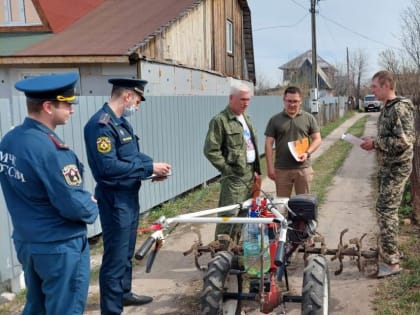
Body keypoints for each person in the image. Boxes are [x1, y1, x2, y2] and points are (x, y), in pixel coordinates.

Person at [0, 73, 99, 314]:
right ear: (47, 107)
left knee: (37, 306)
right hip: (59, 246)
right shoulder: (52, 150)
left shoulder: (10, 140)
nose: (71, 110)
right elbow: (73, 204)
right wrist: (93, 205)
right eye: (66, 104)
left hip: (28, 242)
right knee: (64, 308)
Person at [84, 78, 171, 314]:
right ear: (127, 96)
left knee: (127, 251)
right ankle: (111, 309)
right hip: (114, 200)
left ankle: (124, 293)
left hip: (129, 197)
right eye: (138, 101)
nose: (137, 106)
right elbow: (108, 167)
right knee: (115, 257)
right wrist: (149, 169)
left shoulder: (121, 124)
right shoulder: (101, 126)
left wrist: (152, 168)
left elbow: (132, 156)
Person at [361, 70, 415, 278]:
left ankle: (392, 262)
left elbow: (404, 141)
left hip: (396, 168)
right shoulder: (387, 108)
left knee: (387, 211)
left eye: (374, 86)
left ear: (386, 85)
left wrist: (375, 143)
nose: (372, 90)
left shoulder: (400, 108)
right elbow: (389, 137)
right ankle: (388, 250)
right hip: (388, 167)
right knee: (383, 209)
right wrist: (373, 141)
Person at [204, 83, 261, 240]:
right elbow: (210, 150)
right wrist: (227, 170)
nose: (246, 103)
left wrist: (255, 170)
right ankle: (221, 251)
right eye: (242, 99)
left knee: (244, 213)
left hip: (249, 174)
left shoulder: (246, 119)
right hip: (234, 177)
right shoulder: (220, 120)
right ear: (231, 98)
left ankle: (234, 249)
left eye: (248, 99)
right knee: (229, 215)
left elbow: (251, 146)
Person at [264, 86, 322, 197]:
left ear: (301, 101)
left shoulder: (308, 118)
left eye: (295, 101)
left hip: (303, 169)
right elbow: (268, 143)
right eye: (289, 101)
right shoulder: (275, 120)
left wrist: (307, 152)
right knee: (282, 205)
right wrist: (270, 167)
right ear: (284, 100)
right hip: (282, 170)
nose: (292, 104)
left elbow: (317, 139)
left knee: (304, 204)